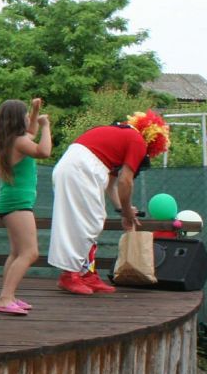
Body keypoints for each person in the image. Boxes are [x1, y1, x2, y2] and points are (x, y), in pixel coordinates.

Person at [48, 110, 170, 295]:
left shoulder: (120, 135)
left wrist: (122, 210)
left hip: (75, 166)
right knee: (87, 222)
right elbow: (125, 181)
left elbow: (111, 185)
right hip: (82, 169)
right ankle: (70, 275)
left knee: (91, 220)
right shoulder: (137, 141)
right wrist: (127, 212)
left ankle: (86, 274)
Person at [0, 98, 52, 314]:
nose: (29, 118)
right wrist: (46, 126)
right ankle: (4, 298)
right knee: (30, 252)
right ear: (18, 119)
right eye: (26, 114)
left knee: (17, 252)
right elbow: (44, 151)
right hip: (17, 203)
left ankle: (8, 295)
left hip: (11, 202)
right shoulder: (19, 142)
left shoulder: (13, 140)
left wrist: (35, 111)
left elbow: (31, 132)